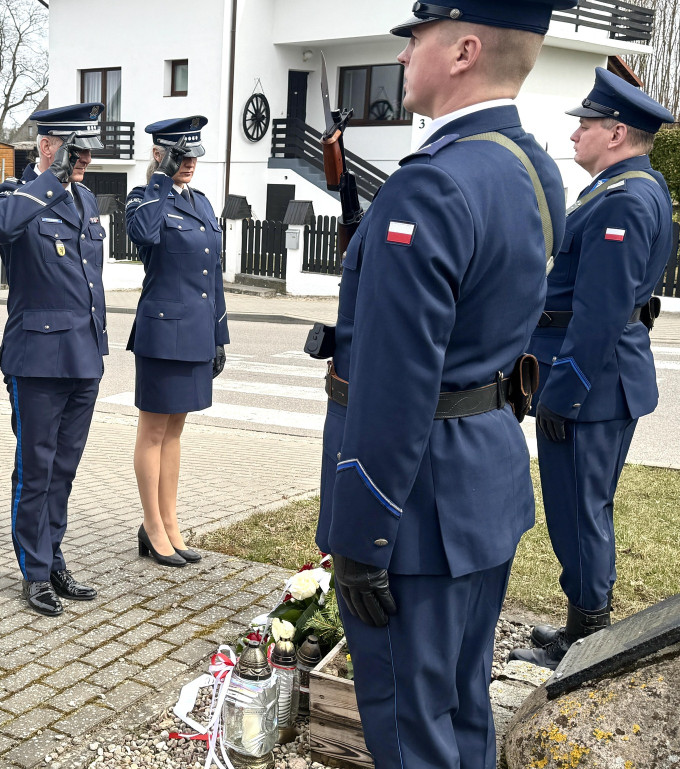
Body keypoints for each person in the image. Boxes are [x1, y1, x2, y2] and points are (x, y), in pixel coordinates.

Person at [314, 3, 574, 766]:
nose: (402, 56)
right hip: (483, 486)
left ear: (463, 51)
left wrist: (363, 536)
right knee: (461, 712)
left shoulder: (430, 187)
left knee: (411, 733)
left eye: (416, 37)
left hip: (414, 513)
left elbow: (393, 383)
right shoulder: (534, 171)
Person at [510, 69, 675, 670]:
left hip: (590, 385)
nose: (575, 134)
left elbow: (602, 310)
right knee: (584, 508)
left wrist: (566, 391)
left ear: (617, 132)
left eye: (586, 124)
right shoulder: (625, 188)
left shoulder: (624, 199)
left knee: (579, 512)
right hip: (598, 381)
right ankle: (585, 623)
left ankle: (585, 642)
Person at [0, 103, 107, 616]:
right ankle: (34, 571)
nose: (85, 159)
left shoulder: (87, 199)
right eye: (76, 150)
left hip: (84, 356)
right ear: (47, 146)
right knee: (35, 468)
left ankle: (53, 556)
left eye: (88, 151)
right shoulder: (14, 195)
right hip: (37, 359)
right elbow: (0, 227)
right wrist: (51, 179)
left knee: (64, 469)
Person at [124, 116, 229, 568]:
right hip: (162, 335)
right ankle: (152, 525)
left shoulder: (200, 202)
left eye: (192, 156)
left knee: (175, 432)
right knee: (153, 431)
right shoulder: (144, 198)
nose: (188, 163)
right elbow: (143, 235)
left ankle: (170, 522)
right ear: (159, 154)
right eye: (179, 156)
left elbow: (213, 276)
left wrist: (219, 335)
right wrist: (160, 179)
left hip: (196, 333)